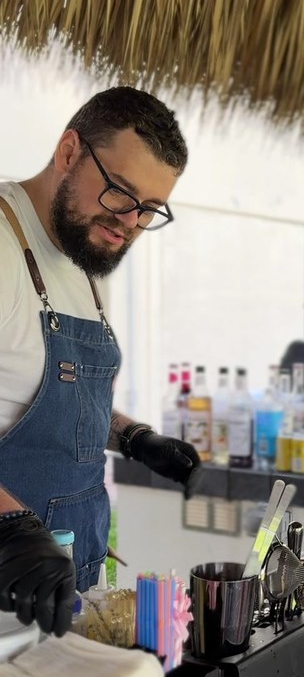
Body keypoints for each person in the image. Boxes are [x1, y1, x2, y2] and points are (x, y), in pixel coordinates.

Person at [0, 86, 202, 638]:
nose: (130, 222)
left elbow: (42, 395)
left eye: (150, 210)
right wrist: (8, 525)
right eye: (120, 193)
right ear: (69, 152)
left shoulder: (80, 257)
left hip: (72, 585)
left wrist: (133, 436)